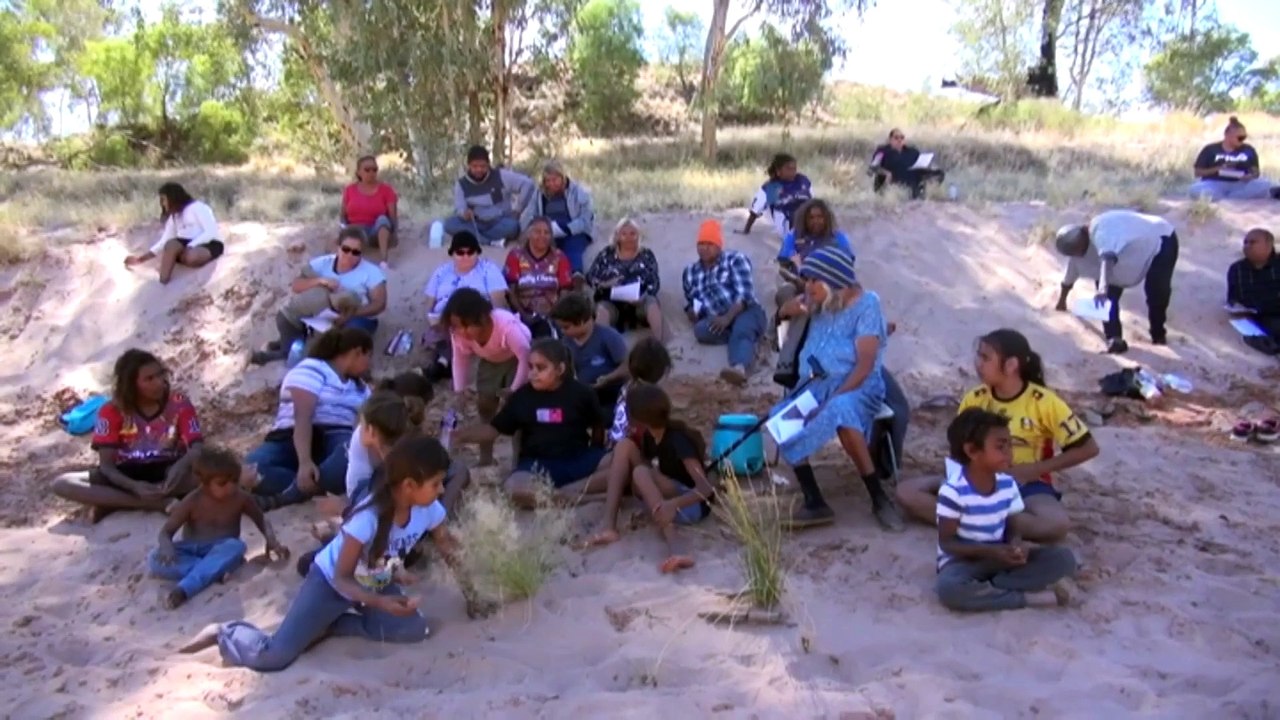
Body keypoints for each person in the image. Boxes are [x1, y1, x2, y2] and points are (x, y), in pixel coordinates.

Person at [177, 436, 493, 671]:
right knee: (274, 657)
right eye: (436, 483)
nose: (441, 491)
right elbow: (342, 579)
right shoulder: (366, 519)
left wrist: (472, 594)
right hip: (331, 582)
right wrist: (381, 601)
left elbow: (449, 549)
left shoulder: (430, 509)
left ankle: (329, 624)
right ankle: (228, 632)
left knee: (415, 631)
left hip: (374, 580)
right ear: (409, 485)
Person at [895, 329, 1100, 544]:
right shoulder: (974, 399)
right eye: (979, 356)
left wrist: (1033, 470)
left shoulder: (1044, 402)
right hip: (975, 481)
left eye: (986, 358)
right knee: (907, 492)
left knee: (1056, 525)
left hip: (1026, 485)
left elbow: (1088, 448)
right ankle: (987, 522)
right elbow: (958, 450)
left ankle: (973, 523)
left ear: (1011, 365)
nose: (978, 364)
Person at [770, 247, 902, 531]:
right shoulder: (820, 301)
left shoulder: (867, 305)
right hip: (816, 386)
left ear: (831, 279)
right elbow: (785, 314)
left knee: (840, 411)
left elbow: (865, 366)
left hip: (858, 386)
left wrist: (835, 398)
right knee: (780, 419)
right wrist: (785, 310)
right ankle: (814, 501)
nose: (807, 287)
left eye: (812, 281)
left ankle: (878, 498)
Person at [935, 409, 1075, 612]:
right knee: (949, 588)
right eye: (1001, 447)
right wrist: (990, 551)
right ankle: (1027, 599)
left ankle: (993, 589)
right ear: (972, 451)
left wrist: (1016, 546)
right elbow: (947, 543)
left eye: (1010, 445)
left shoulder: (1008, 484)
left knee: (1063, 559)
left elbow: (1013, 526)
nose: (1009, 453)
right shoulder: (953, 491)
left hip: (1001, 558)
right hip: (964, 562)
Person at [451, 339, 608, 509]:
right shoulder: (522, 397)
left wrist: (596, 452)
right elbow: (494, 429)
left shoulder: (582, 393)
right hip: (536, 465)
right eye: (530, 367)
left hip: (579, 459)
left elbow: (598, 426)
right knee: (514, 489)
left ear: (560, 369)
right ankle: (582, 497)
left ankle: (566, 492)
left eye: (540, 368)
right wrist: (461, 436)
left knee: (618, 464)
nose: (532, 373)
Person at [52, 349, 205, 523]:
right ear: (131, 384)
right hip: (127, 475)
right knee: (62, 484)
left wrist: (182, 466)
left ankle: (118, 502)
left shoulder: (179, 403)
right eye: (149, 379)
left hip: (170, 472)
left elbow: (197, 448)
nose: (159, 383)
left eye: (160, 375)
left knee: (223, 475)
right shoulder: (110, 411)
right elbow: (107, 466)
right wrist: (133, 486)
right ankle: (156, 504)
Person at [585, 384, 716, 574]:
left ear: (639, 420)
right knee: (624, 447)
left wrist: (673, 504)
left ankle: (677, 547)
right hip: (667, 497)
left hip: (690, 503)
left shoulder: (678, 440)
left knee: (640, 472)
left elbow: (706, 489)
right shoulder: (649, 437)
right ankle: (609, 527)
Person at [246, 327, 373, 510]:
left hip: (336, 439)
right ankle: (309, 484)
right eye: (368, 356)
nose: (369, 364)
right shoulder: (310, 369)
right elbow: (303, 416)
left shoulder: (362, 389)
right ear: (357, 352)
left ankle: (288, 495)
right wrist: (305, 461)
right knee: (250, 468)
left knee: (353, 453)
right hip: (290, 436)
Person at [149, 446, 288, 609]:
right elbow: (166, 532)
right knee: (154, 558)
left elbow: (261, 519)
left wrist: (271, 539)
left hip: (223, 549)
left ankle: (183, 589)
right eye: (222, 484)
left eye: (235, 481)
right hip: (192, 550)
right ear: (204, 483)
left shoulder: (240, 498)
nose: (231, 487)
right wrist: (167, 548)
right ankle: (215, 572)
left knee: (237, 546)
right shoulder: (192, 501)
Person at [251, 228, 387, 365]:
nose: (350, 255)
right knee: (294, 328)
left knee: (347, 339)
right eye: (346, 249)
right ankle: (281, 348)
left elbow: (380, 304)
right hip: (321, 316)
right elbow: (296, 286)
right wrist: (319, 281)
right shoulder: (322, 263)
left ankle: (275, 352)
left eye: (356, 252)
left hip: (356, 317)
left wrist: (351, 314)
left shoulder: (372, 272)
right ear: (338, 247)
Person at [1053, 210, 1179, 355]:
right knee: (1106, 299)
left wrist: (1102, 289)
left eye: (1077, 249)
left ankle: (1158, 335)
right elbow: (1068, 280)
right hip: (1124, 260)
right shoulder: (1077, 256)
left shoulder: (1101, 233)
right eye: (1073, 252)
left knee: (1156, 291)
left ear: (1084, 235)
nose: (1077, 253)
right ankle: (1114, 339)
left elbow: (1107, 258)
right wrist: (1061, 302)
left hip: (1160, 240)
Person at [444, 288, 532, 467]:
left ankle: (519, 461)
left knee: (518, 410)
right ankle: (486, 458)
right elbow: (460, 359)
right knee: (484, 407)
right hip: (490, 360)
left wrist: (514, 389)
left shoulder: (507, 326)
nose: (462, 331)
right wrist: (459, 390)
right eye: (457, 326)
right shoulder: (459, 335)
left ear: (483, 318)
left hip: (518, 359)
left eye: (467, 325)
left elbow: (525, 356)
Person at [773, 198, 855, 382]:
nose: (816, 221)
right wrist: (798, 276)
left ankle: (786, 364)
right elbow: (783, 265)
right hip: (797, 282)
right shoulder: (794, 236)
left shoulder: (837, 238)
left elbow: (847, 268)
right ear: (805, 219)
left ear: (826, 218)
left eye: (820, 217)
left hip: (829, 286)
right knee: (787, 295)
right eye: (811, 217)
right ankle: (778, 342)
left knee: (805, 305)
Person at [682, 219, 767, 387]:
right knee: (700, 331)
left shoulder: (735, 259)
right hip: (717, 317)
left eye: (709, 244)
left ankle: (739, 368)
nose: (704, 248)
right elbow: (691, 300)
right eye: (701, 244)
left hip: (745, 310)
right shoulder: (690, 272)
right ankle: (746, 340)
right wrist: (692, 311)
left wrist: (727, 318)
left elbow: (745, 295)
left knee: (742, 327)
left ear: (719, 245)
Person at [421, 231, 509, 382]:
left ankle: (442, 363)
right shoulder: (441, 272)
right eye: (460, 252)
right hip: (444, 318)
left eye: (470, 252)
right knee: (446, 328)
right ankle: (443, 362)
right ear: (452, 253)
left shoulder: (488, 270)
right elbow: (429, 303)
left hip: (474, 317)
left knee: (459, 327)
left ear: (477, 252)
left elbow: (498, 304)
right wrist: (431, 318)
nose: (466, 256)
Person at [124, 183, 224, 284]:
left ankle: (185, 258)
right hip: (185, 244)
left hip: (208, 243)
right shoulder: (174, 217)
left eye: (164, 199)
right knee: (171, 245)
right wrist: (141, 259)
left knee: (191, 256)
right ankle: (163, 281)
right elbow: (164, 241)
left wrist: (191, 246)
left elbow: (211, 232)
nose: (162, 204)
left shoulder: (198, 207)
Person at [585, 218, 665, 341]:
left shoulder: (646, 254)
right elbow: (591, 277)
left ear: (638, 236)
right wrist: (604, 284)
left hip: (639, 301)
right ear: (617, 236)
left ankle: (659, 345)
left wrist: (642, 297)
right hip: (611, 300)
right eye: (624, 234)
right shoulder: (606, 254)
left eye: (633, 234)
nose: (628, 238)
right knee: (602, 311)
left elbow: (654, 281)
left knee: (652, 304)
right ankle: (600, 348)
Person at [443, 145, 535, 247]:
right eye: (475, 166)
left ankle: (476, 239)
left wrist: (518, 209)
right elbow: (459, 207)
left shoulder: (501, 176)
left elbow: (528, 184)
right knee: (450, 224)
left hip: (500, 221)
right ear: (468, 165)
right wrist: (464, 213)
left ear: (488, 165)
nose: (479, 170)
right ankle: (489, 242)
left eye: (482, 166)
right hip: (475, 223)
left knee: (513, 227)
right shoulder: (461, 184)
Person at [551, 293, 629, 410]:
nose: (562, 331)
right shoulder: (566, 341)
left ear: (581, 321)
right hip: (584, 394)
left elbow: (627, 366)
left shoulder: (608, 336)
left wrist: (608, 378)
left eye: (566, 327)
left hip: (611, 395)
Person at [520, 159, 595, 274]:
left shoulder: (578, 191)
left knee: (572, 246)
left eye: (554, 180)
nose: (551, 184)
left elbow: (586, 219)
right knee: (540, 245)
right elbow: (528, 214)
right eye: (547, 181)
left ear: (562, 177)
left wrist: (567, 228)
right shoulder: (540, 193)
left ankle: (576, 275)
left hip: (572, 230)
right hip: (548, 230)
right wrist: (533, 227)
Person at [504, 216, 574, 337]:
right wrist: (524, 316)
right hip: (522, 314)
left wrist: (552, 315)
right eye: (537, 232)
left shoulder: (560, 257)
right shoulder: (516, 255)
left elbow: (565, 291)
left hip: (554, 315)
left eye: (547, 232)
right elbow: (511, 291)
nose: (542, 236)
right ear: (529, 234)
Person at [1189, 116, 1280, 201]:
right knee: (1195, 189)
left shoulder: (1248, 150)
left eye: (1244, 137)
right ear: (1227, 135)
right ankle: (1231, 199)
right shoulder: (1210, 149)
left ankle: (1226, 199)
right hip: (1214, 183)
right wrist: (1218, 169)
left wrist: (1250, 176)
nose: (1242, 140)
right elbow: (1198, 172)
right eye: (1239, 138)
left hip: (1241, 184)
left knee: (1265, 184)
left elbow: (1256, 173)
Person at [607, 336, 673, 447]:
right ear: (664, 370)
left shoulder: (627, 388)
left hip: (619, 444)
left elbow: (617, 432)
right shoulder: (651, 399)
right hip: (636, 448)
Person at [341, 155, 399, 270]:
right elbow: (343, 215)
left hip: (375, 231)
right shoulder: (349, 190)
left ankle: (384, 261)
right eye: (367, 170)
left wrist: (393, 233)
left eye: (374, 170)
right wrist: (343, 228)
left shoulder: (386, 190)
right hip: (355, 230)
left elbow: (393, 216)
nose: (371, 173)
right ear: (358, 172)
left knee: (383, 219)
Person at [1226, 228, 1280, 348]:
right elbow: (1233, 298)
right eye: (1245, 242)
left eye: (1253, 242)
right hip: (1254, 318)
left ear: (1269, 245)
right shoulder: (1237, 269)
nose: (1247, 246)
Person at [737, 153, 811, 237]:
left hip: (805, 216)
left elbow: (812, 201)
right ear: (778, 171)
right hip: (786, 221)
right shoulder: (773, 187)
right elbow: (755, 211)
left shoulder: (802, 181)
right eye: (788, 169)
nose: (792, 172)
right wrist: (746, 230)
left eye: (794, 168)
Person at [870, 128, 945, 199]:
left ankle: (928, 195)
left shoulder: (912, 151)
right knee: (880, 177)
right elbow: (873, 166)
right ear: (890, 140)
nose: (899, 140)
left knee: (939, 173)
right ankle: (882, 199)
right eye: (896, 138)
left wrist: (929, 168)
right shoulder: (882, 151)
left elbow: (921, 162)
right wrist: (885, 172)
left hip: (912, 180)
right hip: (893, 180)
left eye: (902, 137)